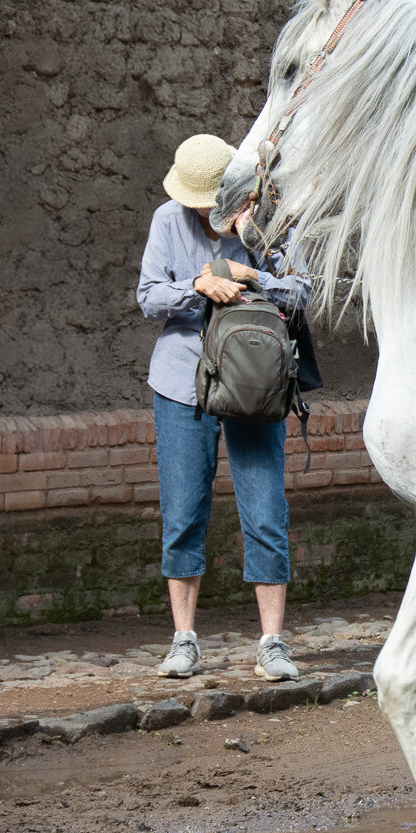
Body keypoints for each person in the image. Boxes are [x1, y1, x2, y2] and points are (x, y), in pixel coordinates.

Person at [137, 134, 312, 681]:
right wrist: (198, 285)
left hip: (255, 384)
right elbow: (148, 296)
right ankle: (184, 639)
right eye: (192, 203)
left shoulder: (267, 222)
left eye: (205, 203)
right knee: (184, 511)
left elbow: (304, 291)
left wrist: (252, 273)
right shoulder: (168, 220)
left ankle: (273, 644)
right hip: (181, 382)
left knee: (265, 511)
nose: (197, 212)